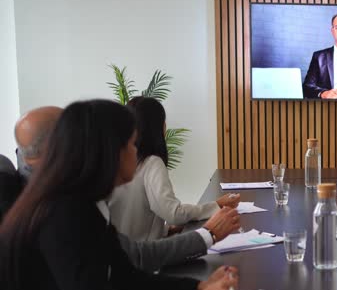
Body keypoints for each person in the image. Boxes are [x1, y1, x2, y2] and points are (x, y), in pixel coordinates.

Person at [0, 100, 239, 290]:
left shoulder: (82, 204)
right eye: (132, 144)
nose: (137, 153)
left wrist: (197, 289)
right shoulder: (61, 214)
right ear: (108, 152)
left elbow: (128, 278)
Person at [3, 106, 240, 272]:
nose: (133, 150)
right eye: (127, 143)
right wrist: (208, 233)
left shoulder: (56, 197)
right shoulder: (63, 209)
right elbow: (133, 262)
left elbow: (124, 271)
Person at [109, 96, 240, 241]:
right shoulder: (151, 162)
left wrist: (165, 230)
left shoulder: (115, 164)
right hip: (146, 259)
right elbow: (173, 214)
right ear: (159, 127)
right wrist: (216, 205)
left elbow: (134, 219)